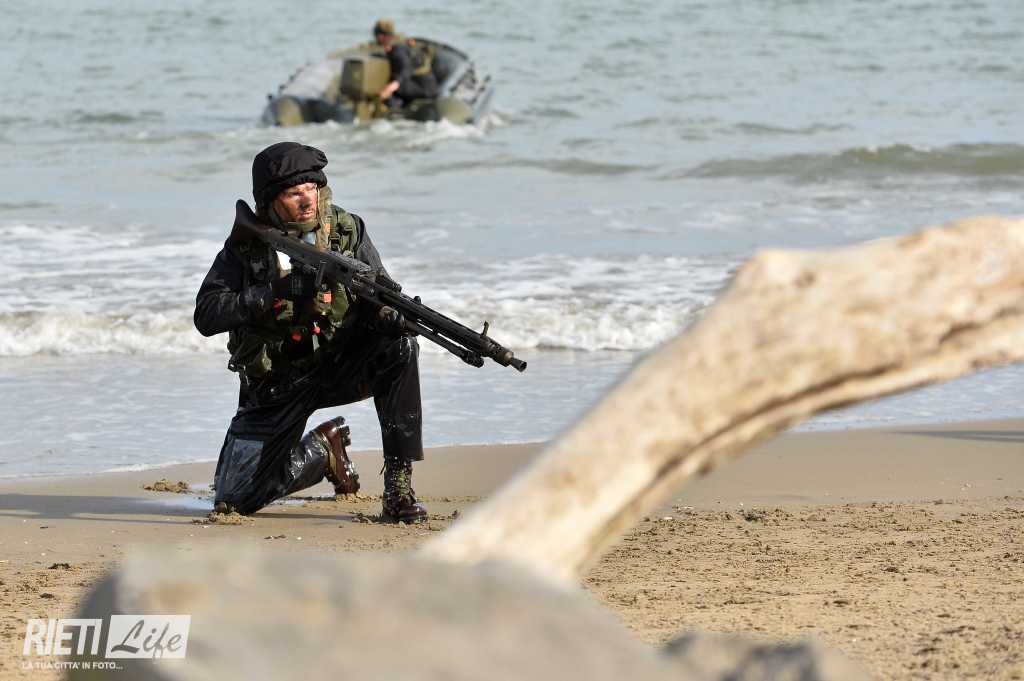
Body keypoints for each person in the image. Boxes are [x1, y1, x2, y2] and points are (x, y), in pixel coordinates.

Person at [194, 141, 428, 523]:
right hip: (275, 383)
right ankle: (324, 450)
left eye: (312, 188)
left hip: (338, 364)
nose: (306, 200)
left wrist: (387, 314)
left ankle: (399, 492)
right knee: (234, 498)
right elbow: (206, 315)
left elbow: (380, 289)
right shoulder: (246, 247)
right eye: (293, 193)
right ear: (269, 202)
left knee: (400, 345)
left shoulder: (346, 230)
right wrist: (275, 292)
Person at [373, 19, 439, 107]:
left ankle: (396, 106)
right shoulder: (394, 46)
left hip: (425, 88)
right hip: (420, 83)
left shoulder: (398, 50)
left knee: (391, 87)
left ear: (382, 36)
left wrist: (392, 87)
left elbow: (406, 69)